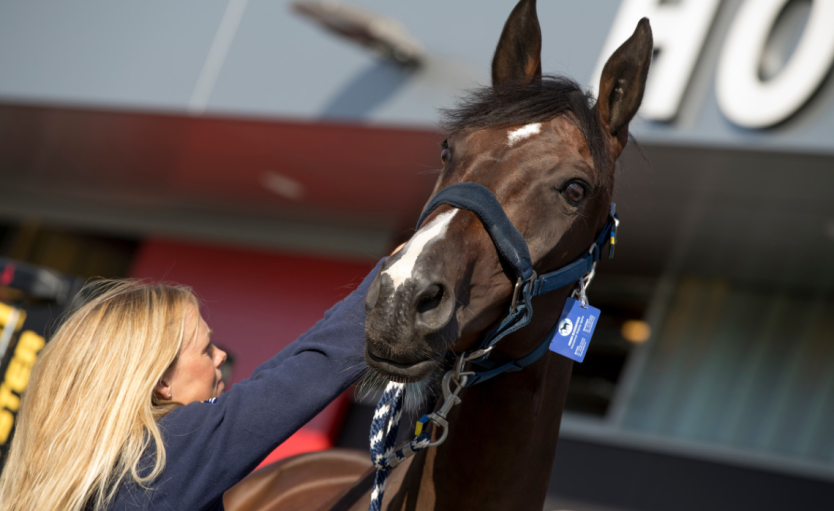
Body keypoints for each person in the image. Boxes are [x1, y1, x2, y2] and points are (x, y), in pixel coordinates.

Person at [0, 258, 384, 511]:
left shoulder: (102, 473)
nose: (220, 357)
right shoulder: (163, 455)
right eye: (206, 349)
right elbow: (302, 378)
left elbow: (276, 377)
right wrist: (392, 276)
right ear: (161, 382)